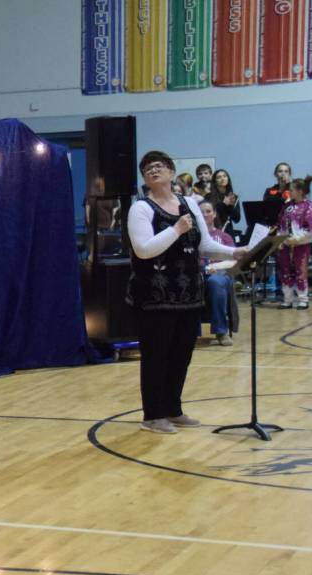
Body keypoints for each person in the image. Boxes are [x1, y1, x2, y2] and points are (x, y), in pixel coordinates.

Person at [126, 151, 245, 434]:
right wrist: (177, 230)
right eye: (147, 169)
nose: (153, 171)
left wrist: (234, 251)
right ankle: (153, 415)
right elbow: (143, 250)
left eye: (159, 166)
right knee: (157, 355)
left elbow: (204, 245)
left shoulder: (189, 203)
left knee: (181, 354)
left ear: (171, 171)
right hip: (155, 295)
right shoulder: (140, 209)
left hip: (189, 292)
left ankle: (173, 409)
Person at [275, 176, 312, 309]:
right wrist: (279, 239)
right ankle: (287, 299)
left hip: (301, 244)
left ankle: (303, 299)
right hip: (286, 244)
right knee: (285, 270)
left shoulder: (308, 206)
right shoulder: (287, 206)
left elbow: (311, 227)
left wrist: (298, 238)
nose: (289, 192)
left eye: (292, 190)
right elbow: (279, 223)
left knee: (301, 270)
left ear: (300, 191)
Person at [199, 200, 237, 345]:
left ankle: (221, 331)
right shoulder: (193, 236)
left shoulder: (224, 237)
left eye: (208, 211)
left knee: (215, 282)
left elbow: (233, 260)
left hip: (220, 273)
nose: (205, 214)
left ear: (214, 214)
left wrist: (218, 266)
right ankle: (191, 333)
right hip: (199, 273)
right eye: (201, 212)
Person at [206, 169, 241, 239]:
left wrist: (230, 206)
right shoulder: (209, 196)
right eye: (219, 177)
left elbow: (237, 219)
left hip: (228, 232)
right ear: (215, 181)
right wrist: (223, 204)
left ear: (228, 179)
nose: (222, 179)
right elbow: (209, 216)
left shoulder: (233, 196)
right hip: (214, 231)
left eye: (225, 176)